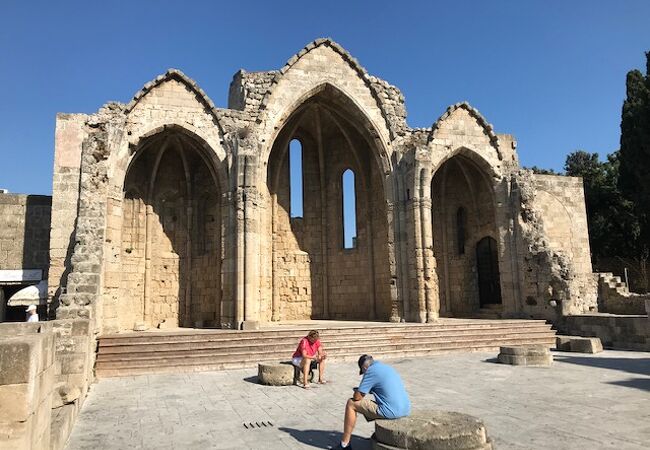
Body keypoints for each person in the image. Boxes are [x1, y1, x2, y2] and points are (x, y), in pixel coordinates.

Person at [335, 354, 411, 449]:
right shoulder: (386, 367)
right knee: (375, 402)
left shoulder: (370, 371)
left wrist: (356, 391)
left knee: (351, 403)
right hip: (406, 408)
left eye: (362, 371)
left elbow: (358, 397)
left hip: (392, 411)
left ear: (364, 367)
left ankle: (344, 444)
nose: (363, 374)